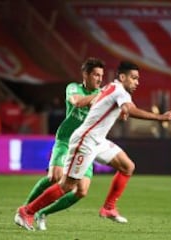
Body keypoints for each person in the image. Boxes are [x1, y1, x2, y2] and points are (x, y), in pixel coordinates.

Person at [15, 60, 171, 231]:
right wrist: (160, 118)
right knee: (66, 185)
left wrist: (122, 111)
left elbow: (118, 107)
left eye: (138, 79)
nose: (137, 82)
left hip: (98, 141)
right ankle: (26, 211)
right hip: (85, 141)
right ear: (122, 77)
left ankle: (108, 207)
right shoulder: (117, 90)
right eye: (133, 78)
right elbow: (127, 109)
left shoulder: (113, 88)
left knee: (127, 166)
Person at [14, 57, 105, 230]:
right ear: (85, 75)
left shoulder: (102, 95)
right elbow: (77, 102)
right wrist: (99, 96)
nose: (100, 79)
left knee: (81, 191)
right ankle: (24, 211)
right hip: (66, 140)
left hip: (86, 147)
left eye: (101, 75)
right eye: (96, 75)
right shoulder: (74, 87)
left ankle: (43, 213)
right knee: (54, 177)